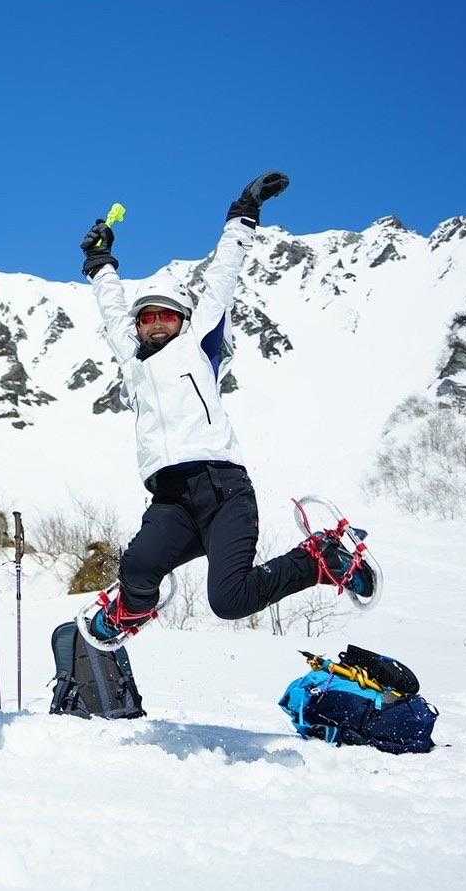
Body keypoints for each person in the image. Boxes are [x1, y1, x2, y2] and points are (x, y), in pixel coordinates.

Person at [78, 172, 376, 644]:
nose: (155, 324)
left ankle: (320, 559)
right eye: (147, 317)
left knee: (229, 600)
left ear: (183, 320)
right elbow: (112, 308)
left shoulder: (197, 345)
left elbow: (222, 277)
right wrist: (100, 262)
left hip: (223, 491)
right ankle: (130, 612)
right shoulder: (133, 358)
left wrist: (243, 214)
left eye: (166, 315)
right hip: (171, 499)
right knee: (136, 567)